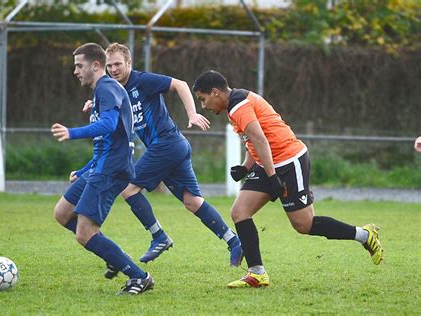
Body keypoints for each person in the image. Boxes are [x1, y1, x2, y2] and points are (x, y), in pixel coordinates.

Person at [192, 70, 384, 288]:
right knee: (240, 212)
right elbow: (253, 139)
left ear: (215, 92)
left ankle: (364, 234)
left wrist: (273, 177)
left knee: (304, 224)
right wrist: (247, 167)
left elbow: (260, 139)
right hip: (269, 163)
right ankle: (257, 274)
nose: (203, 106)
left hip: (289, 162)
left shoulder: (239, 105)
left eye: (203, 99)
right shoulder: (235, 104)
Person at [99, 43, 243, 274]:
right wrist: (94, 106)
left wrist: (192, 113)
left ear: (128, 63)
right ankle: (234, 241)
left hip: (166, 143)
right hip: (173, 147)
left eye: (118, 64)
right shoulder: (113, 90)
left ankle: (159, 236)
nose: (113, 69)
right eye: (109, 66)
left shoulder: (143, 80)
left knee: (129, 189)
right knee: (192, 202)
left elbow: (180, 85)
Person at [51, 42, 153, 295]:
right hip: (101, 165)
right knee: (63, 213)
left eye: (79, 65)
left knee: (84, 234)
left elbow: (108, 125)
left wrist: (72, 133)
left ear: (95, 65)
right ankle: (106, 250)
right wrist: (84, 169)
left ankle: (139, 277)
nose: (75, 71)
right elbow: (106, 141)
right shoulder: (102, 91)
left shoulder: (107, 88)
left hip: (112, 169)